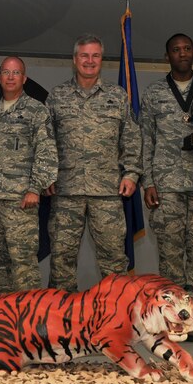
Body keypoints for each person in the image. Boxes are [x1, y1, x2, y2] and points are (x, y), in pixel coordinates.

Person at [139, 34, 193, 344]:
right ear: (167, 56)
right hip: (167, 186)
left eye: (187, 48)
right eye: (176, 50)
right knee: (171, 255)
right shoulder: (153, 94)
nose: (182, 54)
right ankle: (171, 321)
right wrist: (148, 182)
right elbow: (145, 140)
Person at [44, 34, 142, 292]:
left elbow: (131, 138)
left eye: (95, 55)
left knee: (114, 261)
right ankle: (62, 322)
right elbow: (45, 140)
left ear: (102, 59)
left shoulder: (117, 96)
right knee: (62, 259)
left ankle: (117, 320)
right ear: (75, 60)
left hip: (107, 192)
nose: (90, 61)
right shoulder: (57, 96)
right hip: (66, 191)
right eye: (84, 55)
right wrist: (45, 176)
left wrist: (131, 174)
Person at [0, 56, 57, 294]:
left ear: (24, 78)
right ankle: (4, 313)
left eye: (16, 73)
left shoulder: (36, 110)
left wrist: (35, 188)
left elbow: (46, 151)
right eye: (6, 72)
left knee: (23, 262)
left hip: (21, 200)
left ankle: (28, 322)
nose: (11, 77)